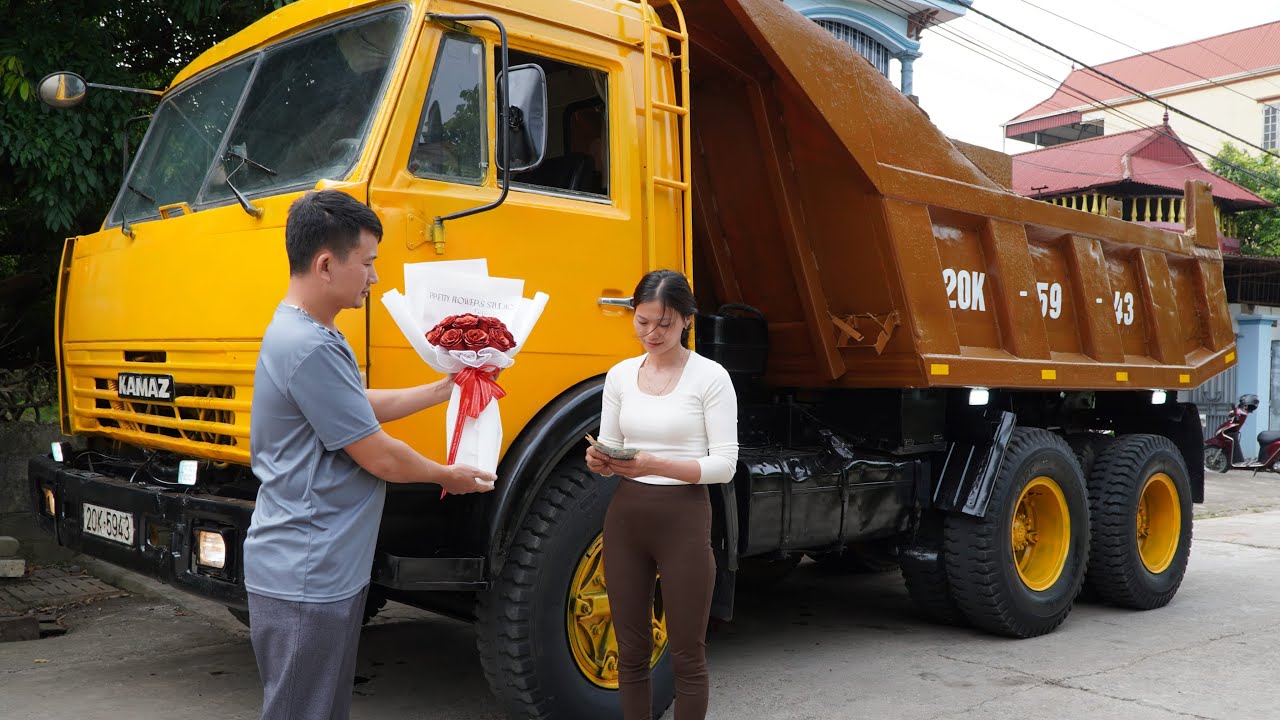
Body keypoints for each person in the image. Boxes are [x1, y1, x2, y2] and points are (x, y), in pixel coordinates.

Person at [244, 189, 496, 720]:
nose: (375, 278)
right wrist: (449, 474)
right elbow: (379, 456)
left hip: (321, 565)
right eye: (369, 264)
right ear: (327, 264)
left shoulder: (309, 332)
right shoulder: (308, 345)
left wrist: (442, 388)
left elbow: (356, 406)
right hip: (306, 571)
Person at [585, 269, 739, 720]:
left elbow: (725, 465)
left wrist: (655, 464)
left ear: (688, 320)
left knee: (687, 654)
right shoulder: (619, 375)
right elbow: (610, 444)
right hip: (626, 516)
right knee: (630, 651)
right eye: (642, 321)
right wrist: (599, 461)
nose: (651, 334)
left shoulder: (710, 377)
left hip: (684, 519)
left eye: (664, 324)